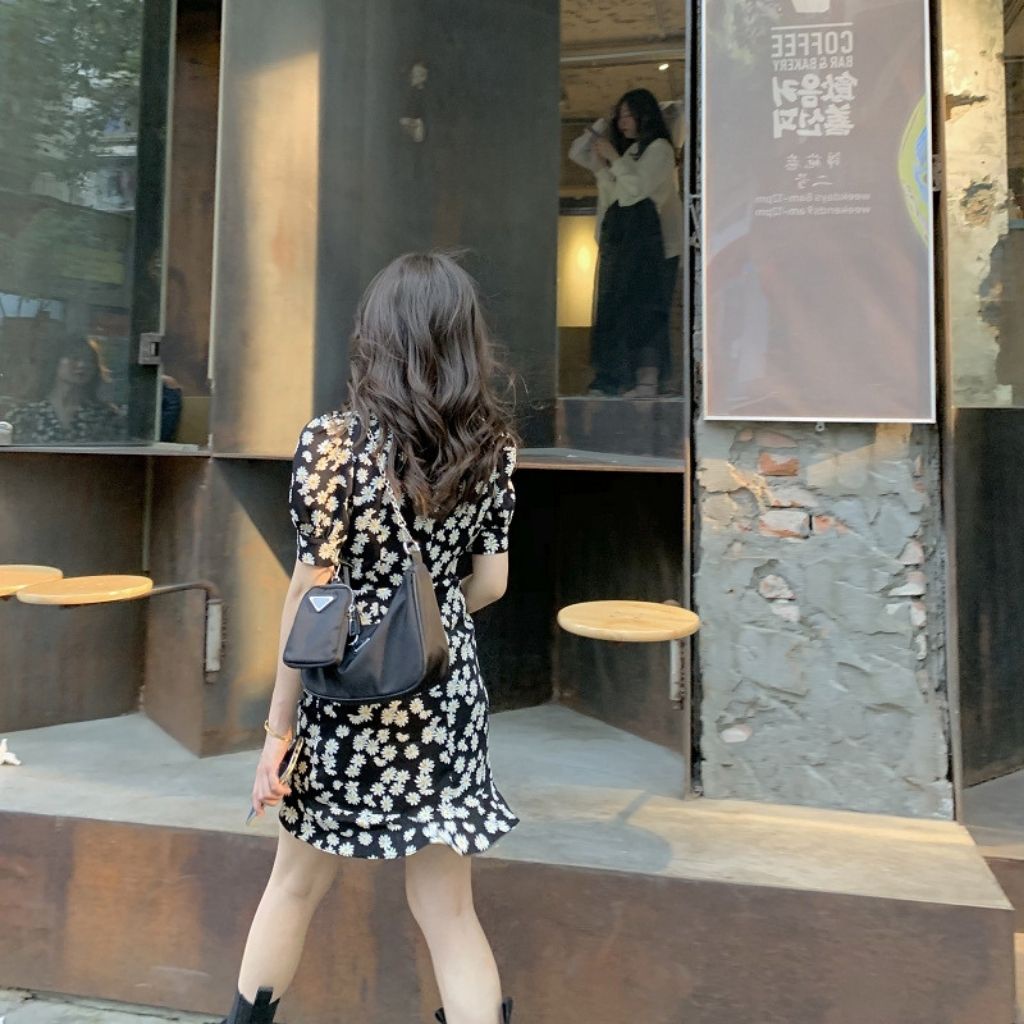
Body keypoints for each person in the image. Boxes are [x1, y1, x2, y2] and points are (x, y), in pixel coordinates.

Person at [220, 253, 520, 1024]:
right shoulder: (492, 446)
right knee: (449, 910)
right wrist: (425, 618)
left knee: (294, 884)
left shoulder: (330, 444)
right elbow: (492, 582)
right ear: (463, 339)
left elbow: (309, 591)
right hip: (443, 690)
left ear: (377, 336)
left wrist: (277, 732)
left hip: (345, 691)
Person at [569, 89, 684, 398]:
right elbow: (580, 156)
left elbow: (636, 192)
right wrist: (602, 133)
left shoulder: (659, 149)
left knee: (647, 313)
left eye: (628, 115)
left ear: (645, 115)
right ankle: (624, 379)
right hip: (625, 243)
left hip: (656, 247)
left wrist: (613, 159)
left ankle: (647, 381)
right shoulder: (630, 151)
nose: (622, 122)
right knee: (621, 311)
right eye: (619, 115)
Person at [9, 336, 125, 443]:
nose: (82, 365)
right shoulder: (24, 414)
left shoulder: (106, 417)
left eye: (89, 360)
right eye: (74, 358)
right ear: (55, 362)